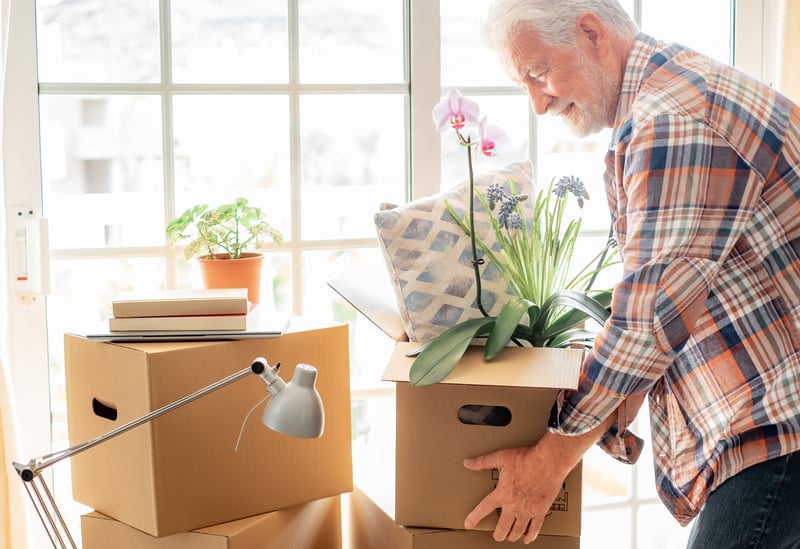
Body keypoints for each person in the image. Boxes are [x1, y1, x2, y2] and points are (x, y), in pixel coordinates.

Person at [462, 1, 800, 547]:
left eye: (538, 73)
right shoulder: (668, 94)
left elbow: (649, 319)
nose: (539, 104)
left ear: (591, 32)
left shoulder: (671, 120)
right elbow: (683, 294)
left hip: (780, 425)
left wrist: (549, 460)